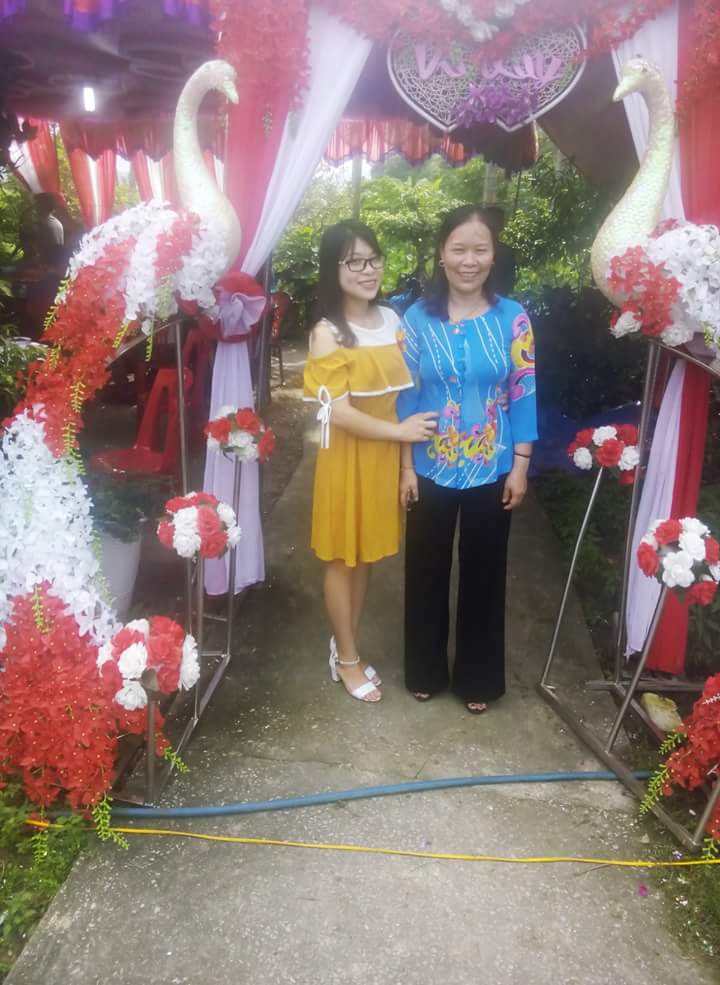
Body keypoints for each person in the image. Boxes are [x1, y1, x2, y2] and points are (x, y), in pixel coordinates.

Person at [396, 205, 537, 714]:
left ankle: (478, 679)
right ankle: (424, 669)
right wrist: (405, 467)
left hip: (492, 465)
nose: (469, 260)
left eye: (480, 249)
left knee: (485, 572)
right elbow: (405, 395)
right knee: (425, 568)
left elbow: (524, 389)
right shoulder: (417, 318)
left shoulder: (512, 318)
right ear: (442, 253)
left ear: (493, 255)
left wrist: (521, 465)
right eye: (459, 249)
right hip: (429, 464)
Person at [303, 220, 438, 703]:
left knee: (366, 557)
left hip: (383, 455)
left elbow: (405, 397)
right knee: (343, 557)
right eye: (353, 261)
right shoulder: (327, 334)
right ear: (333, 269)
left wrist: (405, 464)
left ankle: (346, 645)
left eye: (373, 259)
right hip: (346, 456)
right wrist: (400, 434)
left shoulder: (392, 320)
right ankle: (346, 658)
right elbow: (337, 412)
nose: (367, 270)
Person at [483, 205, 516, 297]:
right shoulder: (472, 249)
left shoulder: (506, 251)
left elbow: (509, 281)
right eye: (493, 220)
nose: (496, 225)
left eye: (499, 221)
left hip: (498, 298)